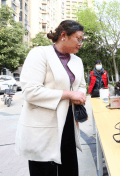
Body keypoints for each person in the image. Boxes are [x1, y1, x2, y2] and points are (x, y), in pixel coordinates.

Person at [15, 20, 87, 176]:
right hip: (43, 124)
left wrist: (80, 94)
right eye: (78, 38)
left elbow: (81, 85)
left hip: (68, 122)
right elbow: (31, 91)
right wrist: (68, 94)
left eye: (82, 39)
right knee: (43, 170)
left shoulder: (77, 61)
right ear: (63, 35)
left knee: (69, 169)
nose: (81, 43)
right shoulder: (40, 53)